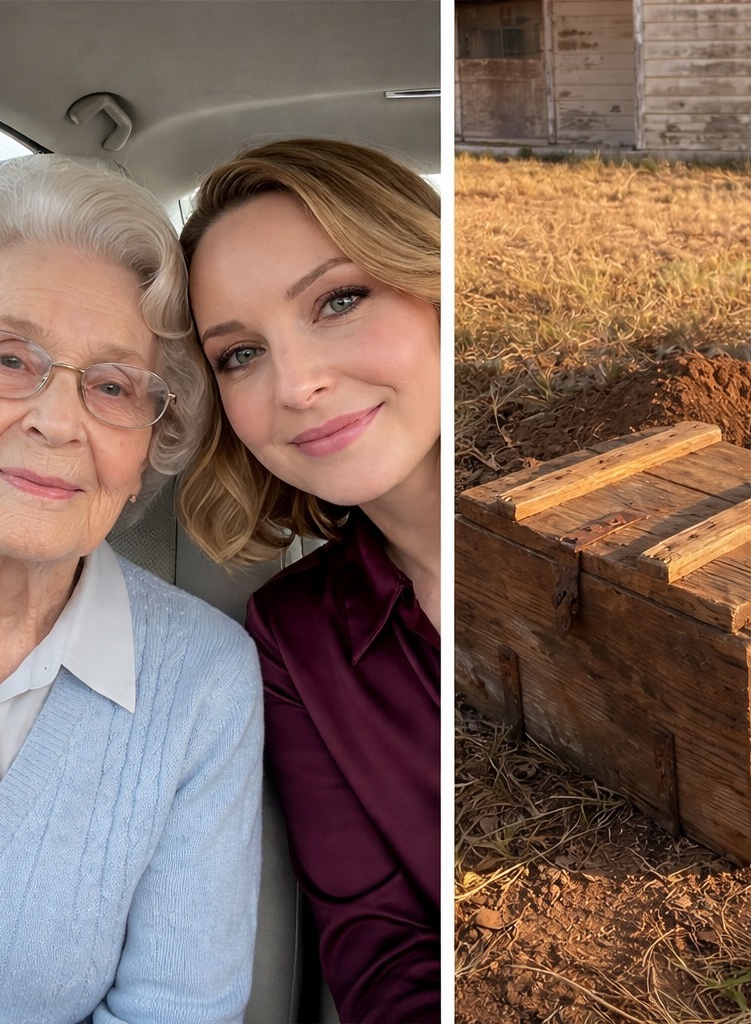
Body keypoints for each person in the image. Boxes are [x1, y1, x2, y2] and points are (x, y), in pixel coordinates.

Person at [0, 156, 263, 1024]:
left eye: (113, 385)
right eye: (9, 357)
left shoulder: (205, 682)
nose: (56, 419)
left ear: (150, 442)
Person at [177, 139, 440, 1024]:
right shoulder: (292, 640)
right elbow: (379, 947)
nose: (297, 385)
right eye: (240, 355)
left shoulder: (581, 539)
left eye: (339, 300)